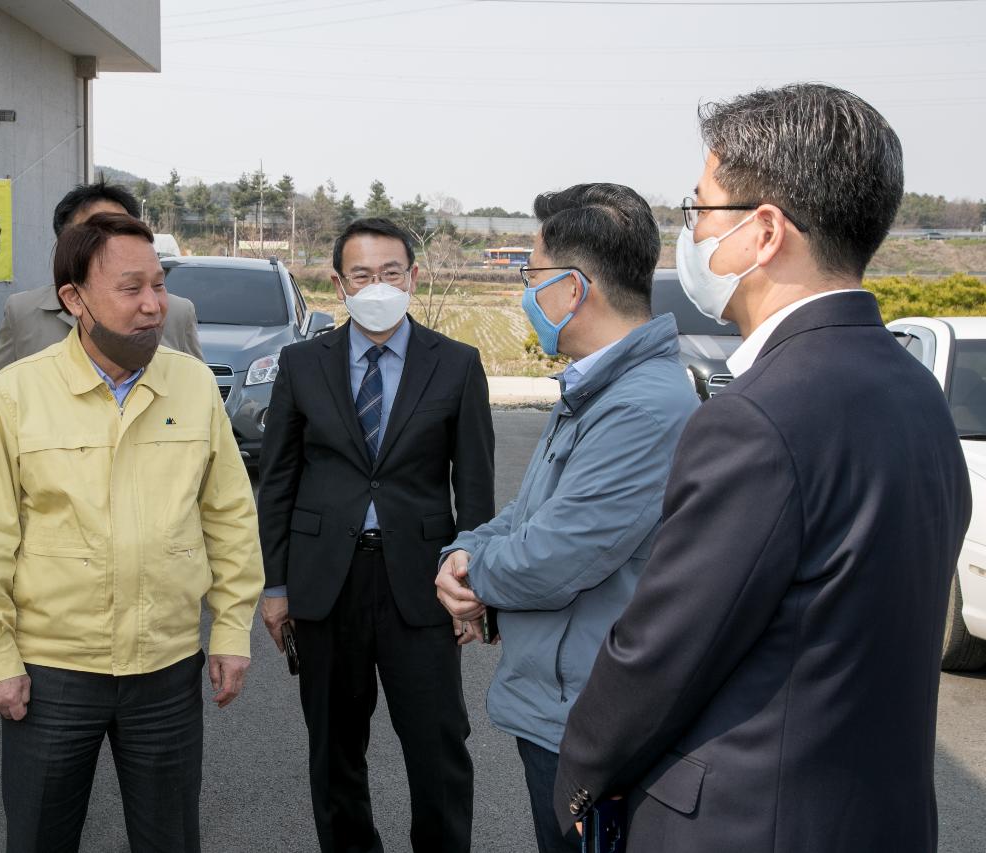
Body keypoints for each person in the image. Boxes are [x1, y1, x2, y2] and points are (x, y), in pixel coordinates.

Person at [553, 83, 973, 853]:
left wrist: (578, 771)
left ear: (765, 230)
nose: (689, 228)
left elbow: (660, 651)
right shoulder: (914, 386)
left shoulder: (757, 416)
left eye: (701, 207)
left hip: (749, 823)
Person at [0, 212, 262, 853]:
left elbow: (230, 518)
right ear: (75, 299)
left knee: (170, 838)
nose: (154, 305)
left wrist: (231, 630)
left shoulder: (194, 384)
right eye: (131, 288)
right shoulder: (18, 394)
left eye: (159, 285)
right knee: (41, 836)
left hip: (167, 668)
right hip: (53, 672)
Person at [434, 184, 698, 852]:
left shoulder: (643, 406)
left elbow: (557, 556)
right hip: (560, 698)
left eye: (533, 276)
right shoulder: (594, 386)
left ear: (575, 289)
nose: (527, 293)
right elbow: (526, 516)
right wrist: (461, 557)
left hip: (587, 711)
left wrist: (473, 578)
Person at [257, 217, 495, 853]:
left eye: (391, 273)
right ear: (340, 284)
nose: (378, 285)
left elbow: (474, 490)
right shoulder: (302, 363)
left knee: (439, 747)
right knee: (334, 751)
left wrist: (475, 587)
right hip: (324, 584)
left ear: (413, 278)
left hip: (420, 583)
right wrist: (275, 586)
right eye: (362, 275)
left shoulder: (457, 365)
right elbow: (277, 482)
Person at [0, 178, 202, 430]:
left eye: (120, 228)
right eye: (94, 232)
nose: (150, 307)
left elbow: (196, 407)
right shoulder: (24, 311)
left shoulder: (176, 312)